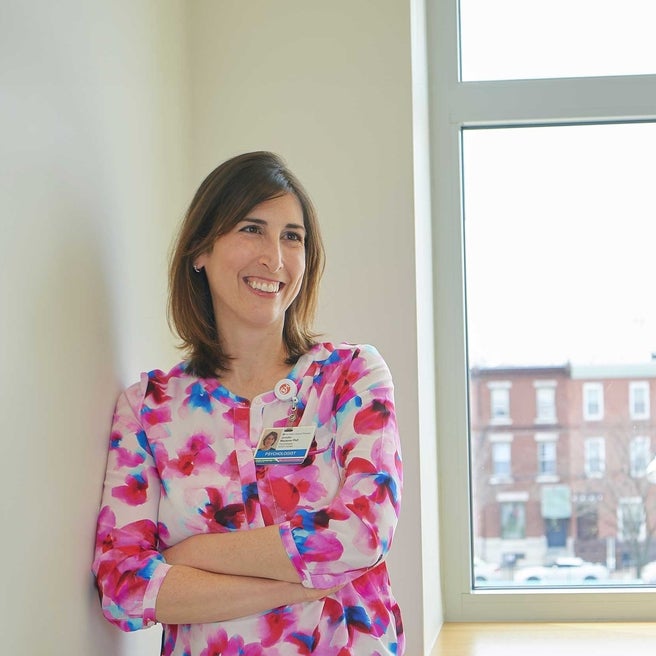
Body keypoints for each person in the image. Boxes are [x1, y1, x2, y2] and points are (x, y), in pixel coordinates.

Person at [92, 151, 404, 655]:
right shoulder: (148, 410)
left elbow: (364, 533)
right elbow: (123, 586)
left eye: (292, 237)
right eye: (251, 229)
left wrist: (192, 554)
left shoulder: (351, 377)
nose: (275, 258)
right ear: (200, 250)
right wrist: (301, 583)